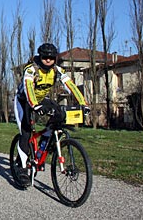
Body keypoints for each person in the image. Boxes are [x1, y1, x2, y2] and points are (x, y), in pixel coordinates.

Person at [14, 43, 90, 187]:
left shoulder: (57, 70)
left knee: (60, 116)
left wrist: (83, 103)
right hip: (24, 100)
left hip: (42, 99)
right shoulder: (31, 70)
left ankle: (44, 145)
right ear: (40, 57)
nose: (48, 60)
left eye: (51, 57)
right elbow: (28, 88)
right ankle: (22, 169)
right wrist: (35, 105)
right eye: (45, 57)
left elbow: (70, 85)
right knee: (26, 132)